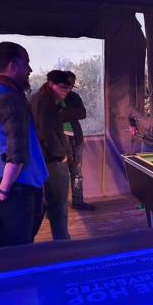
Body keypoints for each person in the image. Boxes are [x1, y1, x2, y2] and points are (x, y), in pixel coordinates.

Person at [0, 41, 48, 248]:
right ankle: (13, 280)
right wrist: (5, 189)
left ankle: (0, 277)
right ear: (13, 65)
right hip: (18, 185)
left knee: (7, 239)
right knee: (17, 246)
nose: (30, 69)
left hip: (6, 180)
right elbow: (17, 151)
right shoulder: (9, 97)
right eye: (26, 63)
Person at [30, 70, 72, 240]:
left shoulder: (41, 98)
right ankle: (63, 244)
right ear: (51, 84)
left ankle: (26, 242)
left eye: (68, 88)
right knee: (58, 206)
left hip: (44, 160)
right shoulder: (44, 101)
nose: (66, 91)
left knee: (48, 205)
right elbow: (46, 132)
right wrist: (60, 154)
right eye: (63, 87)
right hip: (52, 162)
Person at [59, 71, 94, 211]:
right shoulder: (52, 98)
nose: (70, 88)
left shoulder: (74, 97)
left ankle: (78, 201)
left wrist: (64, 114)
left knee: (77, 172)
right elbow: (53, 116)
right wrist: (70, 114)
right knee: (60, 174)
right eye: (68, 85)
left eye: (72, 85)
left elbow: (83, 113)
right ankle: (58, 205)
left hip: (76, 139)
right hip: (59, 141)